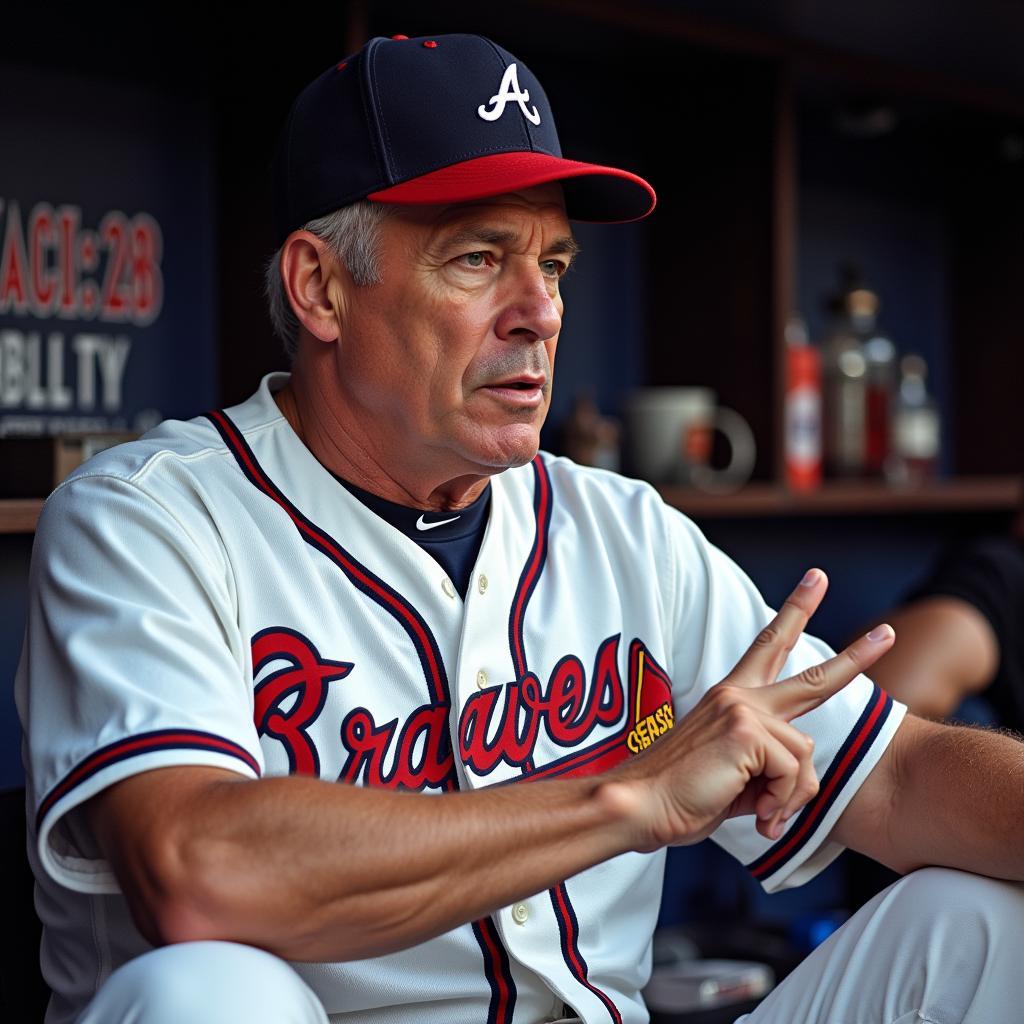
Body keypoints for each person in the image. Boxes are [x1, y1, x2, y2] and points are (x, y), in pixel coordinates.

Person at [15, 32, 1024, 1024]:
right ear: (318, 286)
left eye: (553, 262)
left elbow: (896, 776)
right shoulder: (149, 518)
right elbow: (197, 868)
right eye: (477, 258)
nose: (537, 309)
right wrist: (629, 794)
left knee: (982, 924)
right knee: (205, 991)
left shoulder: (620, 528)